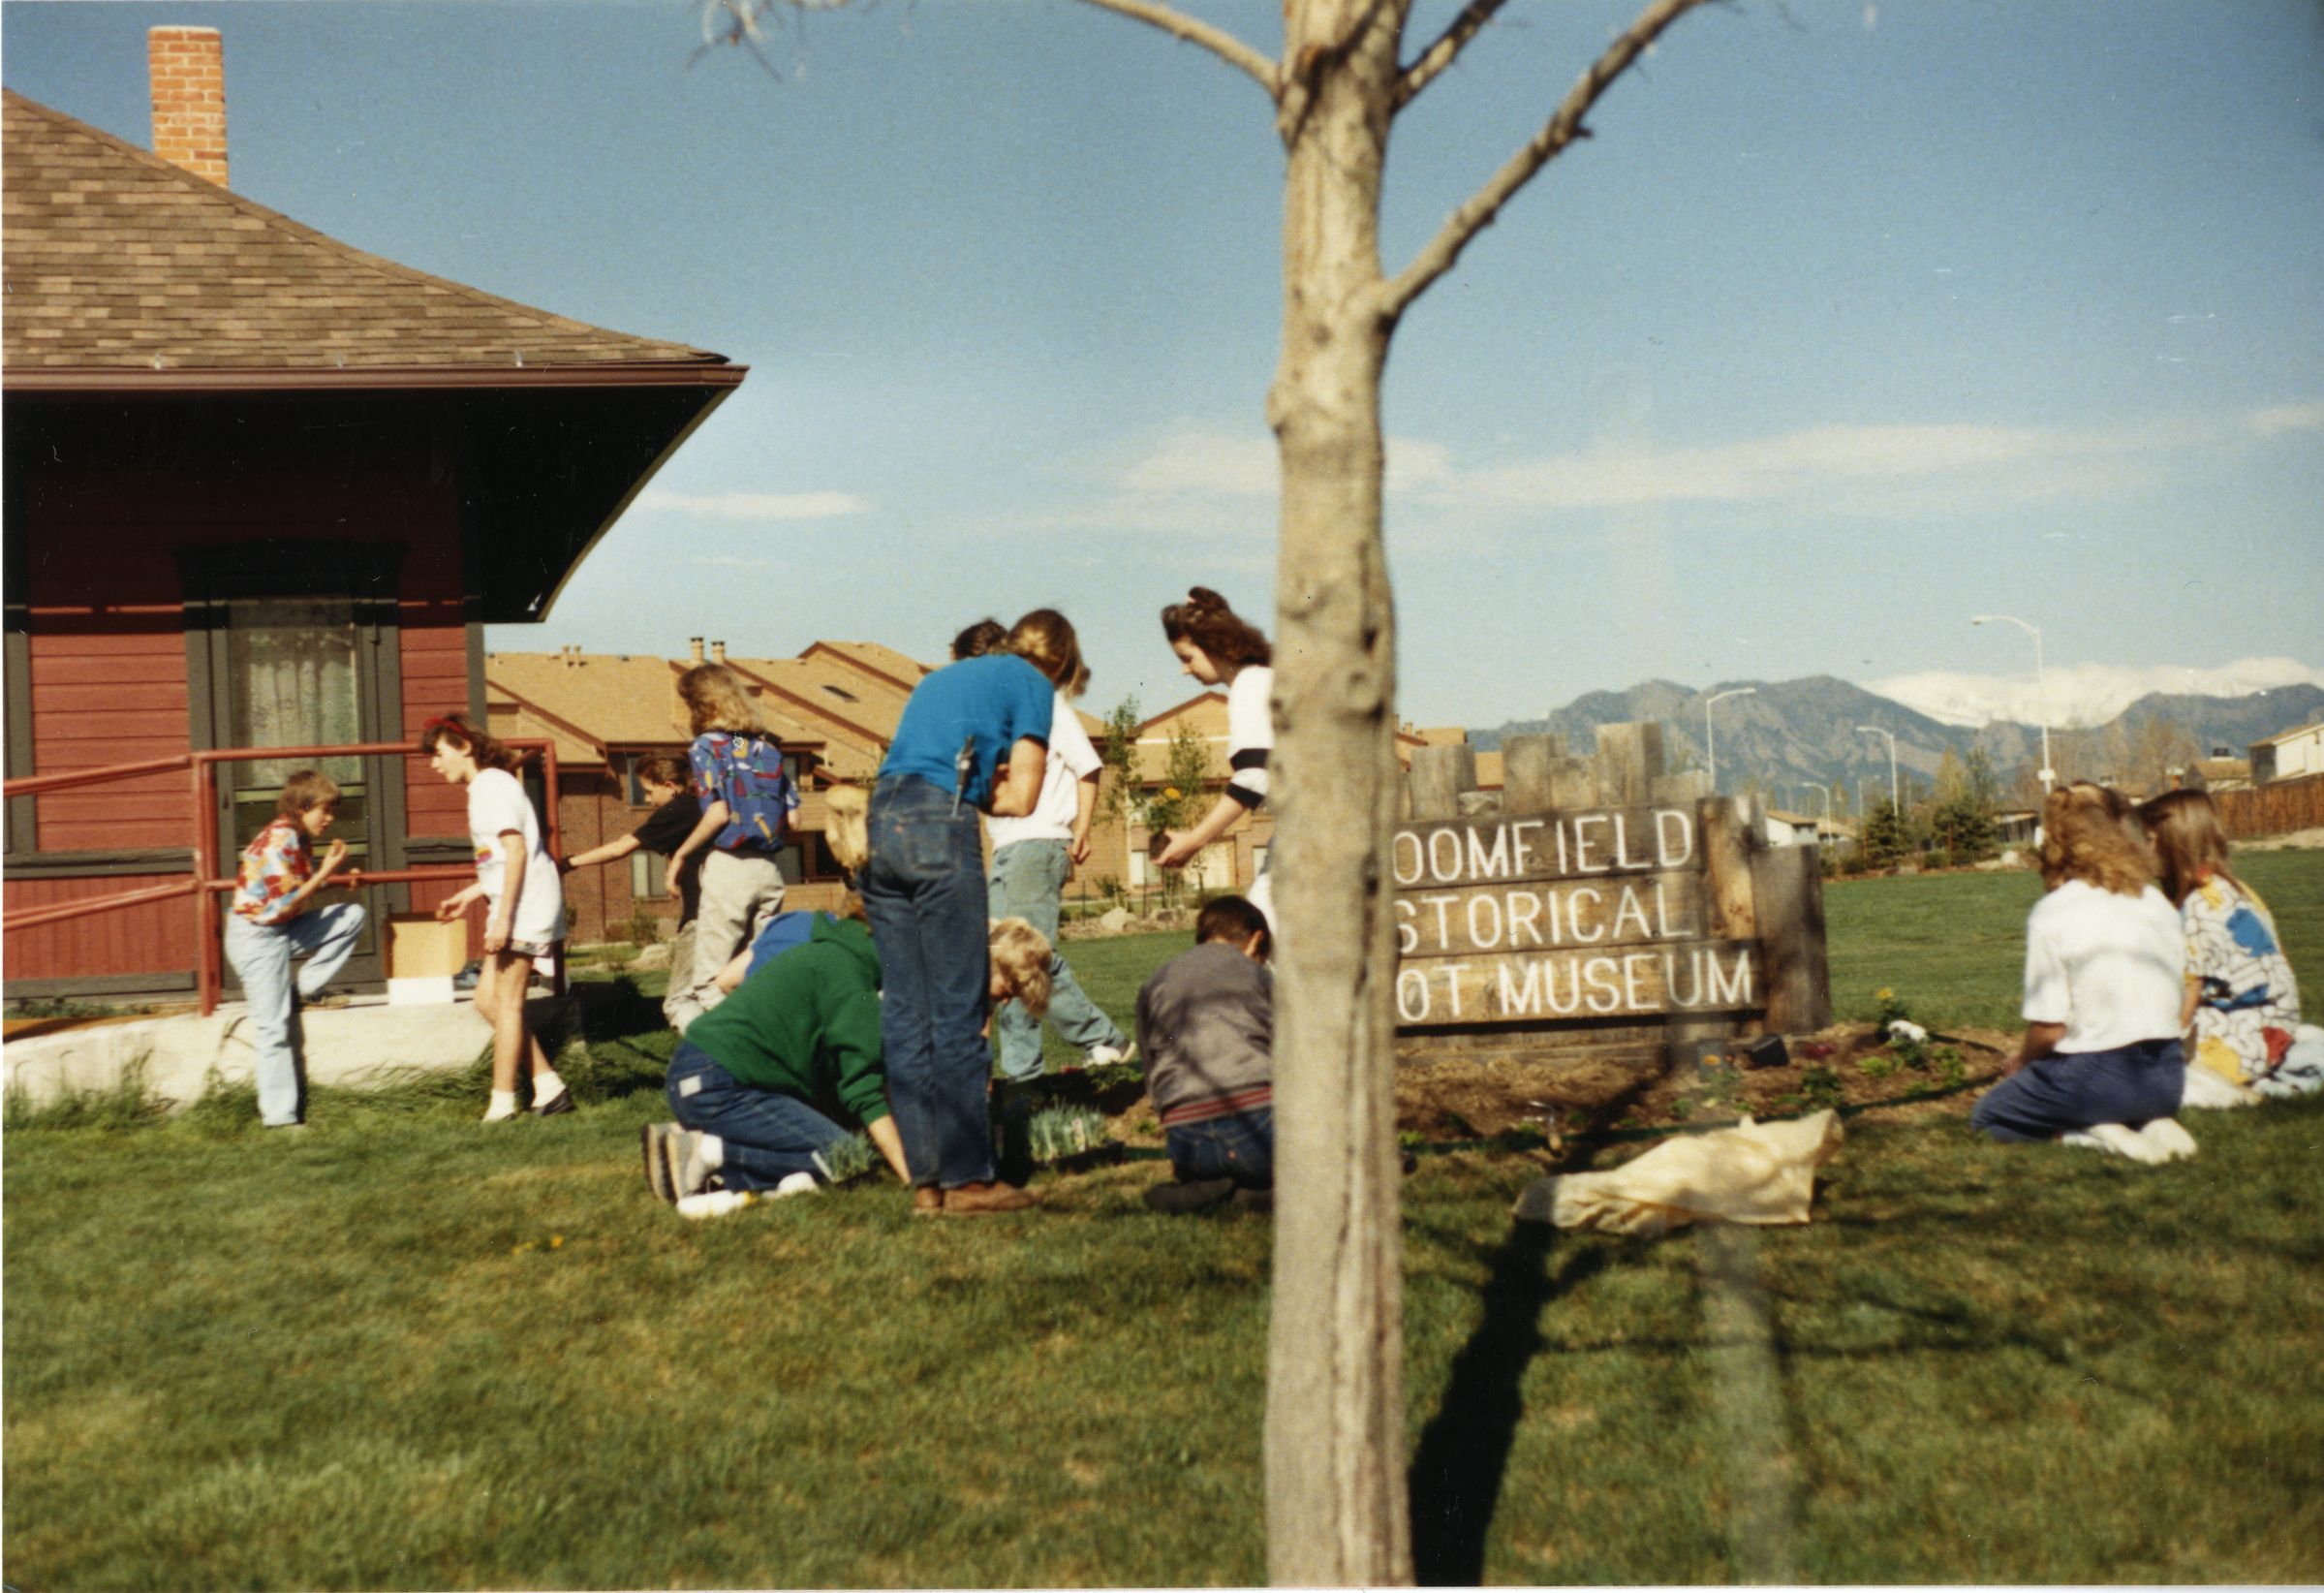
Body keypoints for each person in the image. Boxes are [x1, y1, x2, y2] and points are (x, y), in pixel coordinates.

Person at [646, 913, 1055, 1218]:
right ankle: (708, 1151)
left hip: (727, 1078)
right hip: (714, 1081)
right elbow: (866, 1090)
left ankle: (727, 1171)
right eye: (1006, 991)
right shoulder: (849, 976)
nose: (1004, 1002)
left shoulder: (856, 962)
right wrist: (915, 1179)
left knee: (840, 1157)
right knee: (845, 1157)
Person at [860, 614, 1057, 1216]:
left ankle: (928, 1183)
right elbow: (1021, 799)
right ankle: (970, 1178)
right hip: (937, 823)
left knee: (906, 1011)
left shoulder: (933, 683)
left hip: (880, 818)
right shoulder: (1030, 679)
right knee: (957, 1007)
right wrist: (993, 784)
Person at [1970, 784, 2195, 1162]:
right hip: (2166, 1076)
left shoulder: (2054, 912)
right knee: (2097, 1086)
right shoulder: (2156, 901)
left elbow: (2049, 1029)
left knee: (1990, 1116)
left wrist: (2021, 1064)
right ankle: (2150, 1121)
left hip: (2096, 1076)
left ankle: (2093, 1133)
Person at [961, 612, 1135, 1082]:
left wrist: (1083, 828)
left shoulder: (1045, 703)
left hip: (1037, 843)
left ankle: (1030, 1073)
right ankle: (1104, 1041)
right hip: (1007, 847)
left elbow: (1088, 766)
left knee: (1022, 962)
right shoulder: (998, 715)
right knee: (1006, 957)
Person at [421, 713, 572, 1123]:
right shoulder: (483, 789)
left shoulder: (493, 785)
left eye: (438, 754)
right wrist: (469, 895)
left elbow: (518, 852)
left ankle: (502, 1104)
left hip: (524, 906)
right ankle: (549, 1086)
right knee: (487, 1000)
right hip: (511, 903)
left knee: (507, 1004)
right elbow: (499, 861)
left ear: (465, 747)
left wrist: (504, 920)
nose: (434, 764)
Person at [2141, 789, 2318, 1098]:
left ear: (2173, 842)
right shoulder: (2237, 889)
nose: (2144, 850)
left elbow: (2190, 989)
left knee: (2149, 1074)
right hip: (2278, 1024)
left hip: (2244, 1037)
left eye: (2149, 840)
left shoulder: (2196, 908)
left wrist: (2163, 1048)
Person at [223, 769, 364, 1129]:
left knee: (351, 916)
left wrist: (336, 879)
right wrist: (325, 873)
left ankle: (306, 988)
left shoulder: (299, 837)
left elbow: (296, 892)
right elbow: (285, 903)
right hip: (256, 937)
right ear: (302, 807)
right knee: (272, 1027)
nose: (329, 818)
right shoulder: (279, 839)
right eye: (324, 810)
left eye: (332, 810)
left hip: (282, 929)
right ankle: (280, 1119)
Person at [666, 664, 799, 1030]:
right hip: (769, 870)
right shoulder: (764, 748)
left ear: (700, 703)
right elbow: (794, 820)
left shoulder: (706, 746)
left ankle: (732, 1049)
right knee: (757, 972)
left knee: (710, 983)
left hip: (730, 867)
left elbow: (718, 813)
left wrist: (680, 856)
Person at [1134, 895, 1275, 1213]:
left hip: (1186, 1133)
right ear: (1256, 941)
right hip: (1255, 1121)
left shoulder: (1157, 981)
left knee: (1213, 1158)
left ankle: (1205, 1182)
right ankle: (1253, 1192)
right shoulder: (1256, 977)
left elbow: (1156, 1050)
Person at [1153, 587, 1275, 929]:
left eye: (1187, 657)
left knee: (1263, 934)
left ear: (1215, 645)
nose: (1185, 670)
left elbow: (1254, 776)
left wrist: (1195, 840)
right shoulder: (1264, 680)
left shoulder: (1250, 685)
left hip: (1317, 836)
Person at [558, 752, 706, 1030]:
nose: (648, 800)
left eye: (649, 791)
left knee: (678, 1002)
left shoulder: (677, 809)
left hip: (702, 917)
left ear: (670, 787)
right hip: (722, 909)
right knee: (714, 993)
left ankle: (710, 1052)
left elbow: (622, 847)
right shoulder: (700, 806)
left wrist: (568, 863)